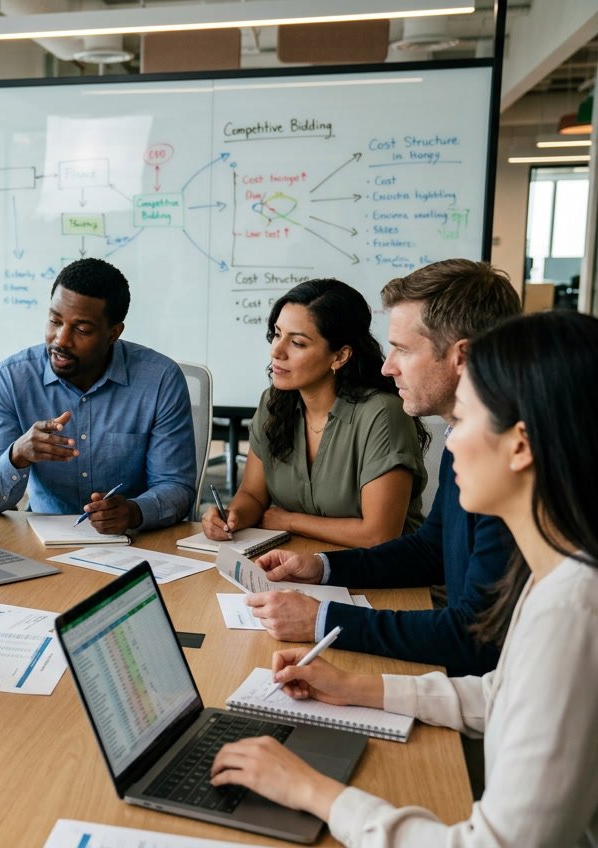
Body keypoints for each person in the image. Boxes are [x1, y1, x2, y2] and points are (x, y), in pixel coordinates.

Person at [210, 310, 598, 847]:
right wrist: (355, 687)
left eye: (464, 419)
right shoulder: (559, 572)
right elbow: (502, 695)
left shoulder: (572, 610)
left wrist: (312, 791)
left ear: (520, 445)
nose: (450, 443)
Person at [246, 260, 519, 676]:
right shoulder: (463, 436)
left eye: (403, 350)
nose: (388, 367)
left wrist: (322, 620)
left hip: (489, 690)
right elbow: (431, 550)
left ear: (460, 357)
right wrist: (322, 566)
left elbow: (477, 636)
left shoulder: (510, 462)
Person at [200, 279, 427, 549]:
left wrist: (291, 521)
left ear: (340, 356)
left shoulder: (382, 414)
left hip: (383, 570)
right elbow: (253, 495)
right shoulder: (273, 402)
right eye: (277, 334)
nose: (276, 351)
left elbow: (379, 535)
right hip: (299, 561)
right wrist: (232, 516)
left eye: (297, 343)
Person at [0, 258, 197, 535]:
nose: (61, 339)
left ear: (113, 333)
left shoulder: (160, 380)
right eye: (54, 321)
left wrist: (134, 512)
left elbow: (177, 486)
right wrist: (17, 454)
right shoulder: (12, 378)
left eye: (81, 330)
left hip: (134, 540)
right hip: (42, 539)